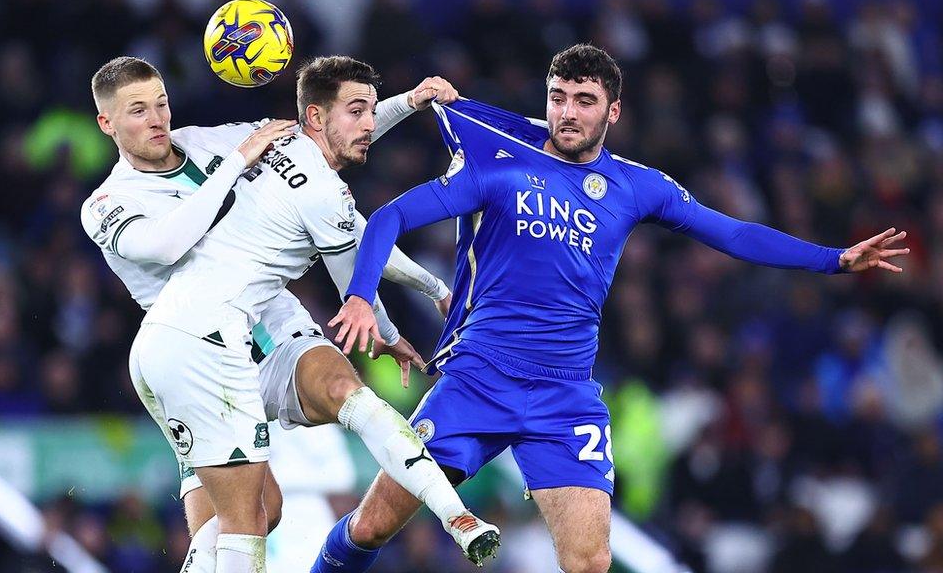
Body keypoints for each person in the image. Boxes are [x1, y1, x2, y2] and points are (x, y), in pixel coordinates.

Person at [323, 43, 911, 573]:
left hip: (565, 396)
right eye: (558, 98)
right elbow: (390, 217)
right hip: (479, 379)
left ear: (614, 111)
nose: (568, 113)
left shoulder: (637, 186)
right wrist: (360, 296)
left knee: (590, 562)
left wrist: (833, 260)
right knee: (372, 526)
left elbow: (732, 233)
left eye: (584, 100)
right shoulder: (499, 165)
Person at [82, 55, 500, 572]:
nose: (157, 119)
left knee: (336, 407)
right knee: (248, 518)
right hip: (192, 344)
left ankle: (457, 517)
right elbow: (167, 245)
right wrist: (238, 162)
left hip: (268, 322)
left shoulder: (206, 141)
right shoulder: (107, 203)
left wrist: (408, 104)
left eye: (161, 104)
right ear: (107, 124)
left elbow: (319, 136)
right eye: (138, 111)